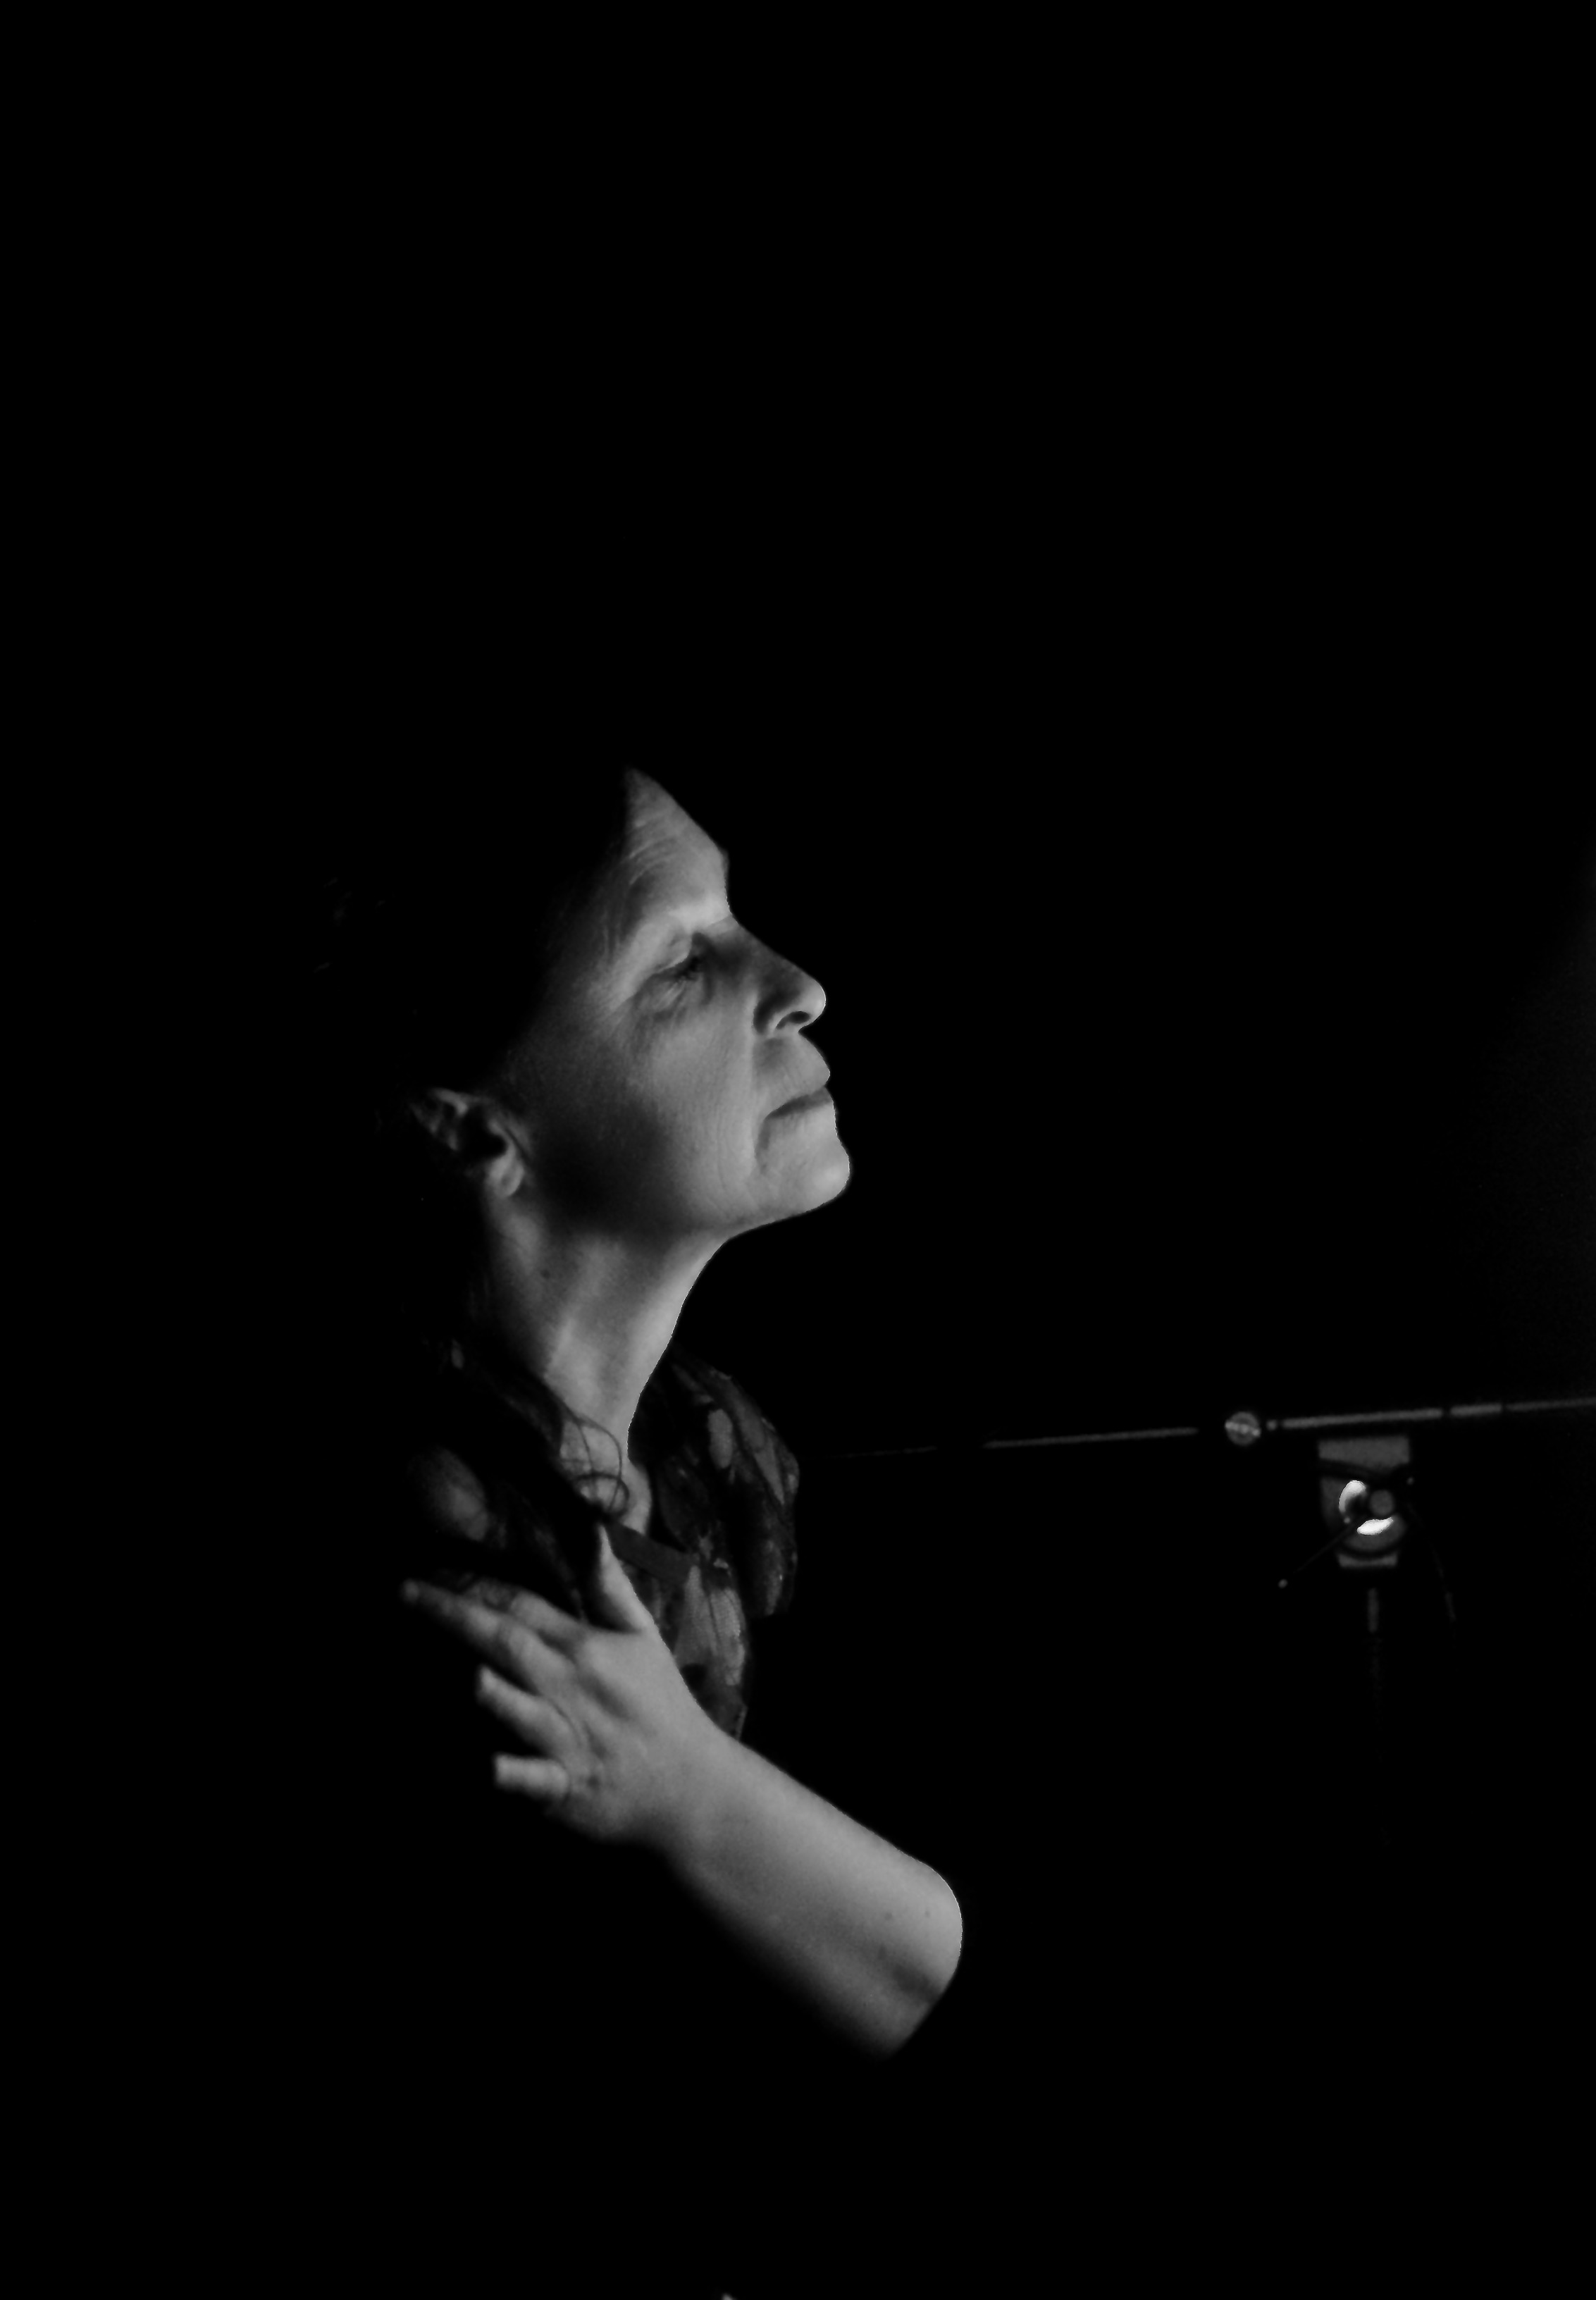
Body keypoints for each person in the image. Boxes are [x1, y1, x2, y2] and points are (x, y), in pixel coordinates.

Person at [245, 760, 965, 2296]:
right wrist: (686, 1790)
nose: (800, 985)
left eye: (738, 920)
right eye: (682, 963)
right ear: (473, 1130)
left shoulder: (716, 1463)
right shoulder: (421, 1570)